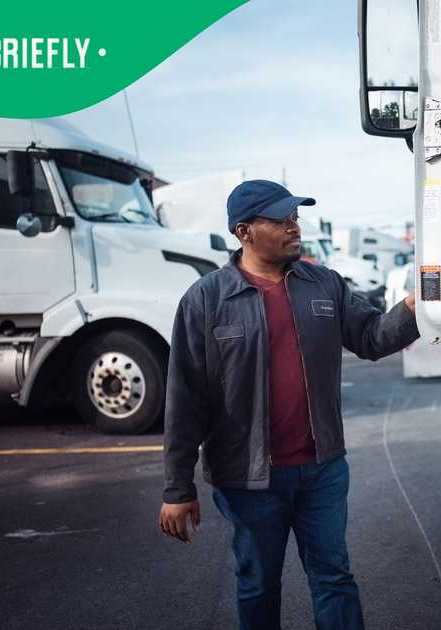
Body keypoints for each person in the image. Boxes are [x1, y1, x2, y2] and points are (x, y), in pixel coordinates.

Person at [158, 180, 419, 630]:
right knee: (258, 585)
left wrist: (416, 308)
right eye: (281, 219)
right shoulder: (206, 300)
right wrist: (177, 489)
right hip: (248, 478)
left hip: (323, 470)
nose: (294, 226)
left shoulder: (325, 285)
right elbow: (185, 397)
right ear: (244, 231)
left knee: (334, 578)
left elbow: (373, 338)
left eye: (295, 217)